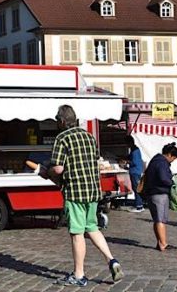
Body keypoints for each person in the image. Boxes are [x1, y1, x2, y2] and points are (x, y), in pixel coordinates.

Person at [45, 105, 123, 287]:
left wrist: (47, 171)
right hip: (92, 190)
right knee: (92, 227)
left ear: (62, 121)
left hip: (74, 191)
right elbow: (95, 160)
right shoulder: (89, 136)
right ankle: (112, 260)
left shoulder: (62, 138)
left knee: (77, 233)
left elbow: (58, 168)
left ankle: (79, 274)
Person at [144, 143, 177, 251]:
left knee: (156, 220)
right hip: (159, 193)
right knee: (161, 220)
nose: (172, 161)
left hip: (151, 193)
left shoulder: (155, 160)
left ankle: (159, 242)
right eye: (173, 158)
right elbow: (163, 178)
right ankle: (163, 243)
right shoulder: (162, 163)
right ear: (169, 155)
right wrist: (171, 182)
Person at [125, 136, 144, 212]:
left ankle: (139, 206)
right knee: (136, 188)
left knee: (137, 189)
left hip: (135, 171)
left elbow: (134, 162)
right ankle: (138, 204)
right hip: (136, 171)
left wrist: (127, 162)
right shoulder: (134, 149)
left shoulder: (135, 150)